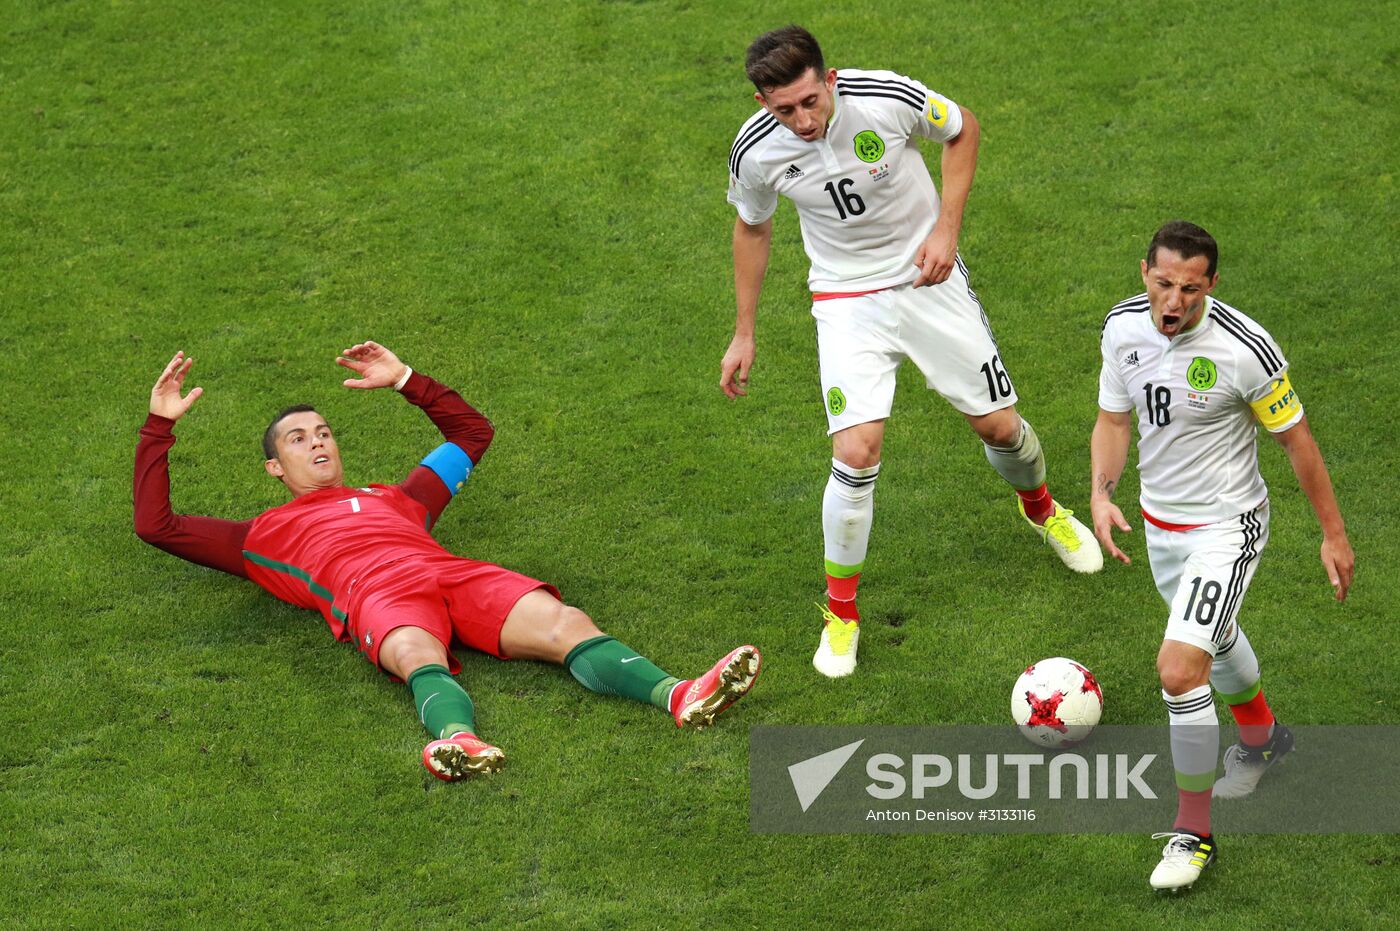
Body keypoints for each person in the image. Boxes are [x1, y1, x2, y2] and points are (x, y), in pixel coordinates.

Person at [134, 341, 761, 781]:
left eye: (323, 431)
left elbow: (471, 434)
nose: (317, 442)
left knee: (565, 622)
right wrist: (158, 428)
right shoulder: (260, 536)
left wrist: (407, 380)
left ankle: (679, 694)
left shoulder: (399, 498)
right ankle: (457, 741)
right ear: (276, 467)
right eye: (298, 439)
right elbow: (156, 526)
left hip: (449, 573)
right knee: (414, 653)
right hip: (375, 596)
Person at [721, 25, 1102, 678]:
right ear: (763, 104)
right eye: (785, 110)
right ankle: (842, 615)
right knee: (855, 450)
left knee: (1000, 428)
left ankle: (1043, 510)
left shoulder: (884, 97)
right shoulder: (754, 152)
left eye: (811, 101)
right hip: (847, 300)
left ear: (829, 78)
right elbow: (753, 227)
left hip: (928, 278)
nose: (803, 120)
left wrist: (946, 229)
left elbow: (963, 128)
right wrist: (744, 329)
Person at [1090, 220, 1354, 891]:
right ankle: (1265, 738)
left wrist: (1333, 533)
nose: (1173, 300)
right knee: (1215, 635)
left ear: (1212, 284)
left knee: (1180, 670)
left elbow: (1298, 442)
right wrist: (1100, 491)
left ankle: (1193, 832)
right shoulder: (1122, 328)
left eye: (1190, 287)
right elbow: (1115, 420)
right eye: (1162, 282)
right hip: (1159, 528)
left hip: (1227, 527)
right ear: (1143, 270)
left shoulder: (1245, 349)